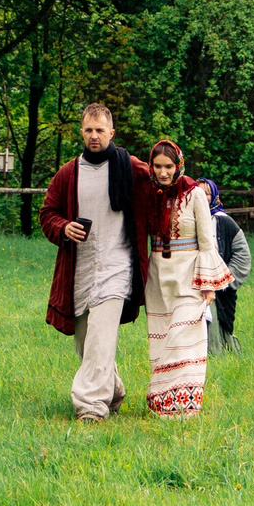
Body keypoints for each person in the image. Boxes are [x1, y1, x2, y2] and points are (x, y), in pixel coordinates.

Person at [38, 102, 163, 421]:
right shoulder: (69, 173)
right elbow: (47, 214)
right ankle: (114, 390)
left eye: (100, 130)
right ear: (81, 132)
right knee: (86, 344)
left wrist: (196, 199)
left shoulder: (131, 167)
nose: (94, 136)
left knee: (100, 337)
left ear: (111, 132)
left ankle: (90, 406)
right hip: (79, 270)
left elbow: (164, 183)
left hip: (118, 266)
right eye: (88, 130)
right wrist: (64, 227)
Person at [139, 140, 234, 417]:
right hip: (158, 276)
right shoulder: (149, 193)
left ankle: (185, 405)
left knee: (184, 338)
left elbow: (207, 243)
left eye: (168, 166)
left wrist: (208, 286)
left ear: (178, 165)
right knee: (162, 340)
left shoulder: (194, 194)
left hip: (189, 276)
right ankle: (162, 402)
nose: (163, 172)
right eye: (157, 166)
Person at [199, 178, 251, 353]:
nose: (202, 197)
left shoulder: (224, 222)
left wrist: (226, 281)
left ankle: (219, 354)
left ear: (214, 196)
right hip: (195, 284)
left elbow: (242, 254)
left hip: (220, 286)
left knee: (217, 321)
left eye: (206, 193)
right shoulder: (188, 221)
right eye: (198, 192)